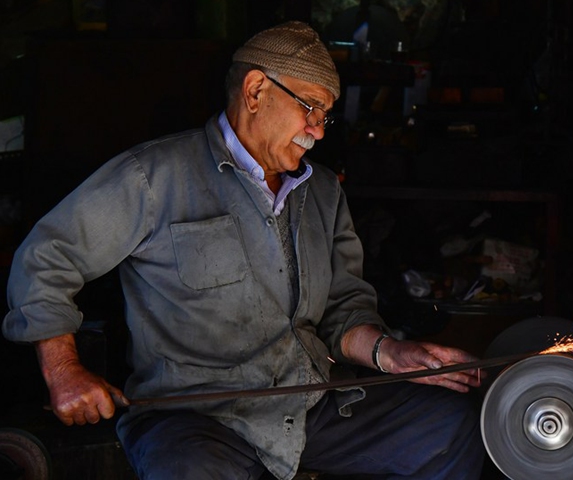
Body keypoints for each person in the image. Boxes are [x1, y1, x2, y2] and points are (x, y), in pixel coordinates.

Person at [2, 21, 486, 480]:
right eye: (311, 107)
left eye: (325, 115)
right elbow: (47, 258)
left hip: (309, 406)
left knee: (448, 426)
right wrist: (63, 371)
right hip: (193, 418)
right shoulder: (153, 176)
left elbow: (342, 308)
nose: (318, 129)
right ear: (256, 91)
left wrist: (392, 353)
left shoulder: (322, 194)